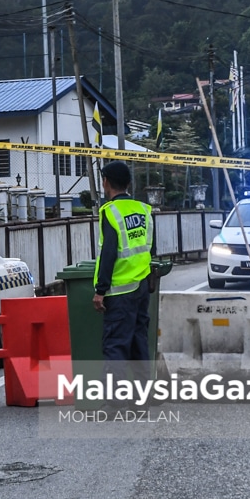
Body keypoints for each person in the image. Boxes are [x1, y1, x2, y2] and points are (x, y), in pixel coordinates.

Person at [92, 161, 154, 387]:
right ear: (129, 183)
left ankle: (114, 403)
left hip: (119, 292)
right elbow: (148, 249)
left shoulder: (110, 212)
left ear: (106, 182)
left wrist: (100, 290)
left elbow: (108, 253)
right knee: (139, 345)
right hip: (141, 287)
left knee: (116, 346)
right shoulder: (144, 210)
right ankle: (142, 399)